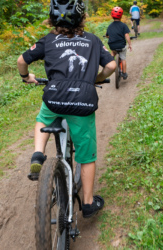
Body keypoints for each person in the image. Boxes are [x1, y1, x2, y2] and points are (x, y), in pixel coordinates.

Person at [17, 0, 116, 218]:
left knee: (43, 117)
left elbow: (21, 60)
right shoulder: (92, 40)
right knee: (86, 155)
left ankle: (37, 154)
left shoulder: (48, 40)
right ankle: (88, 203)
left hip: (55, 97)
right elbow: (111, 65)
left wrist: (26, 77)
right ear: (82, 18)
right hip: (82, 102)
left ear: (51, 19)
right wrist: (95, 78)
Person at [105, 6, 132, 80]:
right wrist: (130, 44)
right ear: (121, 16)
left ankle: (109, 62)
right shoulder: (123, 25)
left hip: (113, 46)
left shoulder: (110, 26)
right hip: (121, 46)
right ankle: (124, 73)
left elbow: (107, 35)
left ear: (112, 15)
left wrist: (109, 37)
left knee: (113, 53)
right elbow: (126, 35)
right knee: (123, 58)